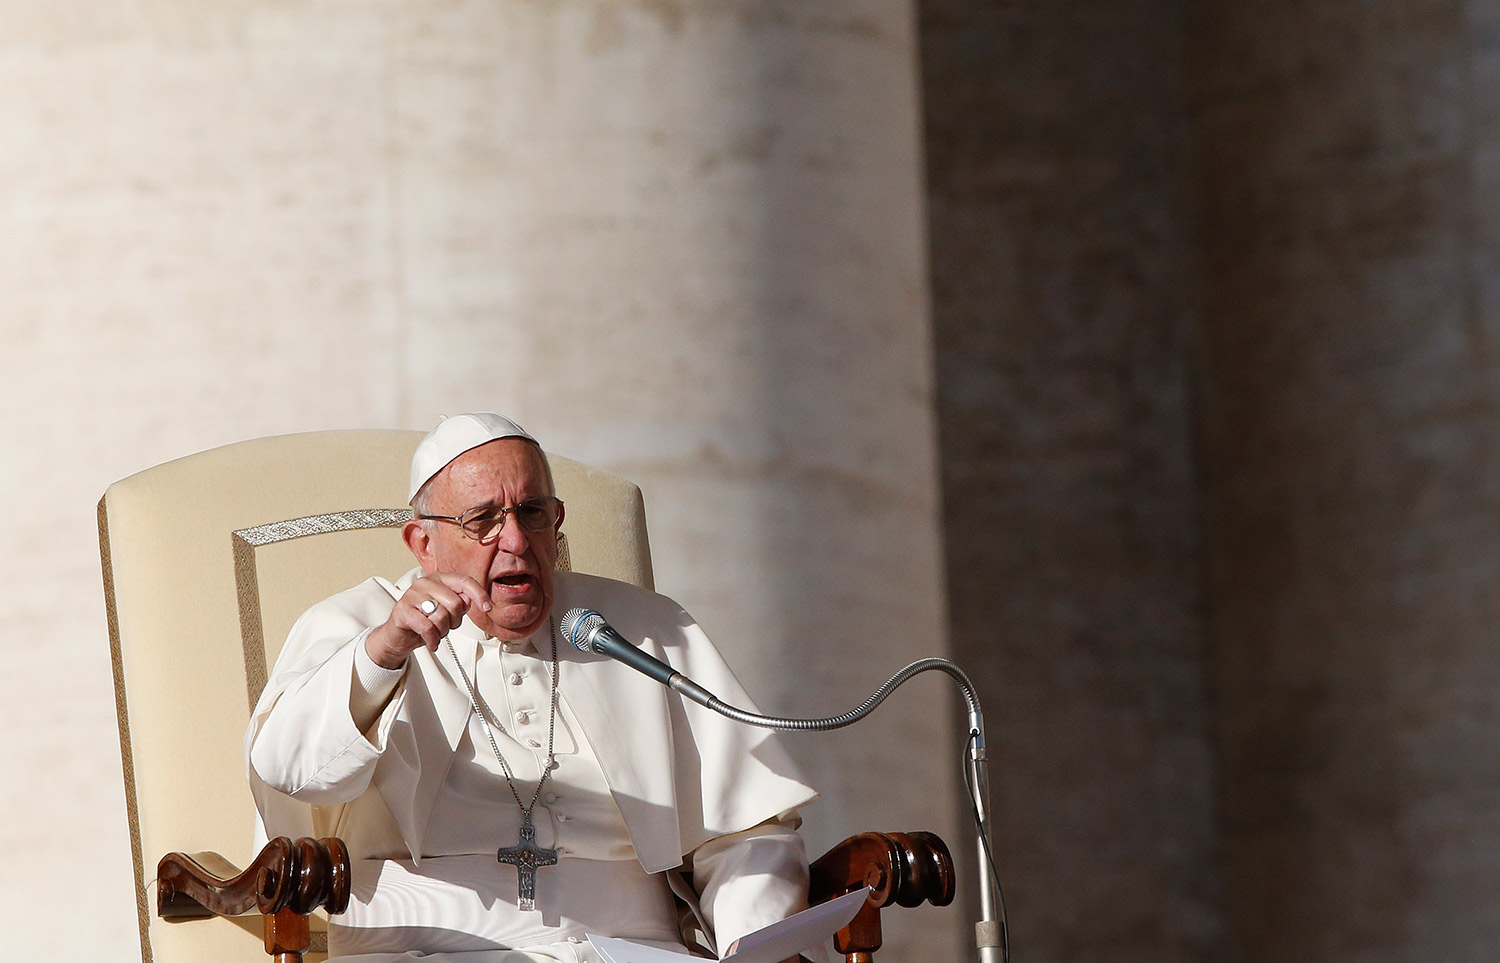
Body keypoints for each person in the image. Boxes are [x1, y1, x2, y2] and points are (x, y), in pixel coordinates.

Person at [246, 413, 819, 963]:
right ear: (423, 545)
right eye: (482, 520)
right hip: (417, 953)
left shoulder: (642, 628)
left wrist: (756, 943)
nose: (516, 539)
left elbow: (747, 831)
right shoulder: (356, 627)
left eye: (533, 512)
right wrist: (385, 653)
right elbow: (289, 769)